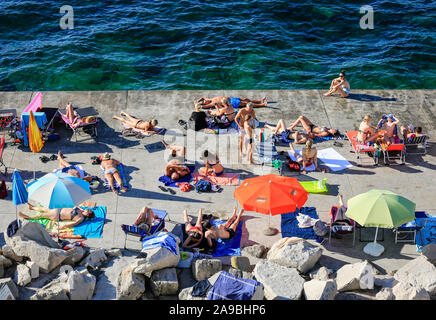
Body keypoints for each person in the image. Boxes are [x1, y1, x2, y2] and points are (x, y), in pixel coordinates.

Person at [19, 203, 95, 230]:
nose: (86, 210)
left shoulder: (81, 218)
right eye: (87, 210)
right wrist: (81, 209)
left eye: (87, 211)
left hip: (57, 215)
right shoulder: (81, 210)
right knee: (44, 208)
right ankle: (32, 208)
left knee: (41, 215)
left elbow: (73, 224)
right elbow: (75, 205)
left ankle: (27, 217)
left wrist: (63, 227)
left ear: (87, 216)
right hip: (58, 209)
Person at [198, 96, 267, 109]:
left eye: (205, 100)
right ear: (206, 104)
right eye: (205, 102)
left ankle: (259, 101)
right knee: (246, 103)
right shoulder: (211, 104)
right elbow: (202, 107)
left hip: (231, 99)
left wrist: (198, 101)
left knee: (245, 99)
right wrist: (198, 105)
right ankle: (261, 105)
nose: (205, 101)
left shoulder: (209, 99)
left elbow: (203, 98)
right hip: (231, 103)